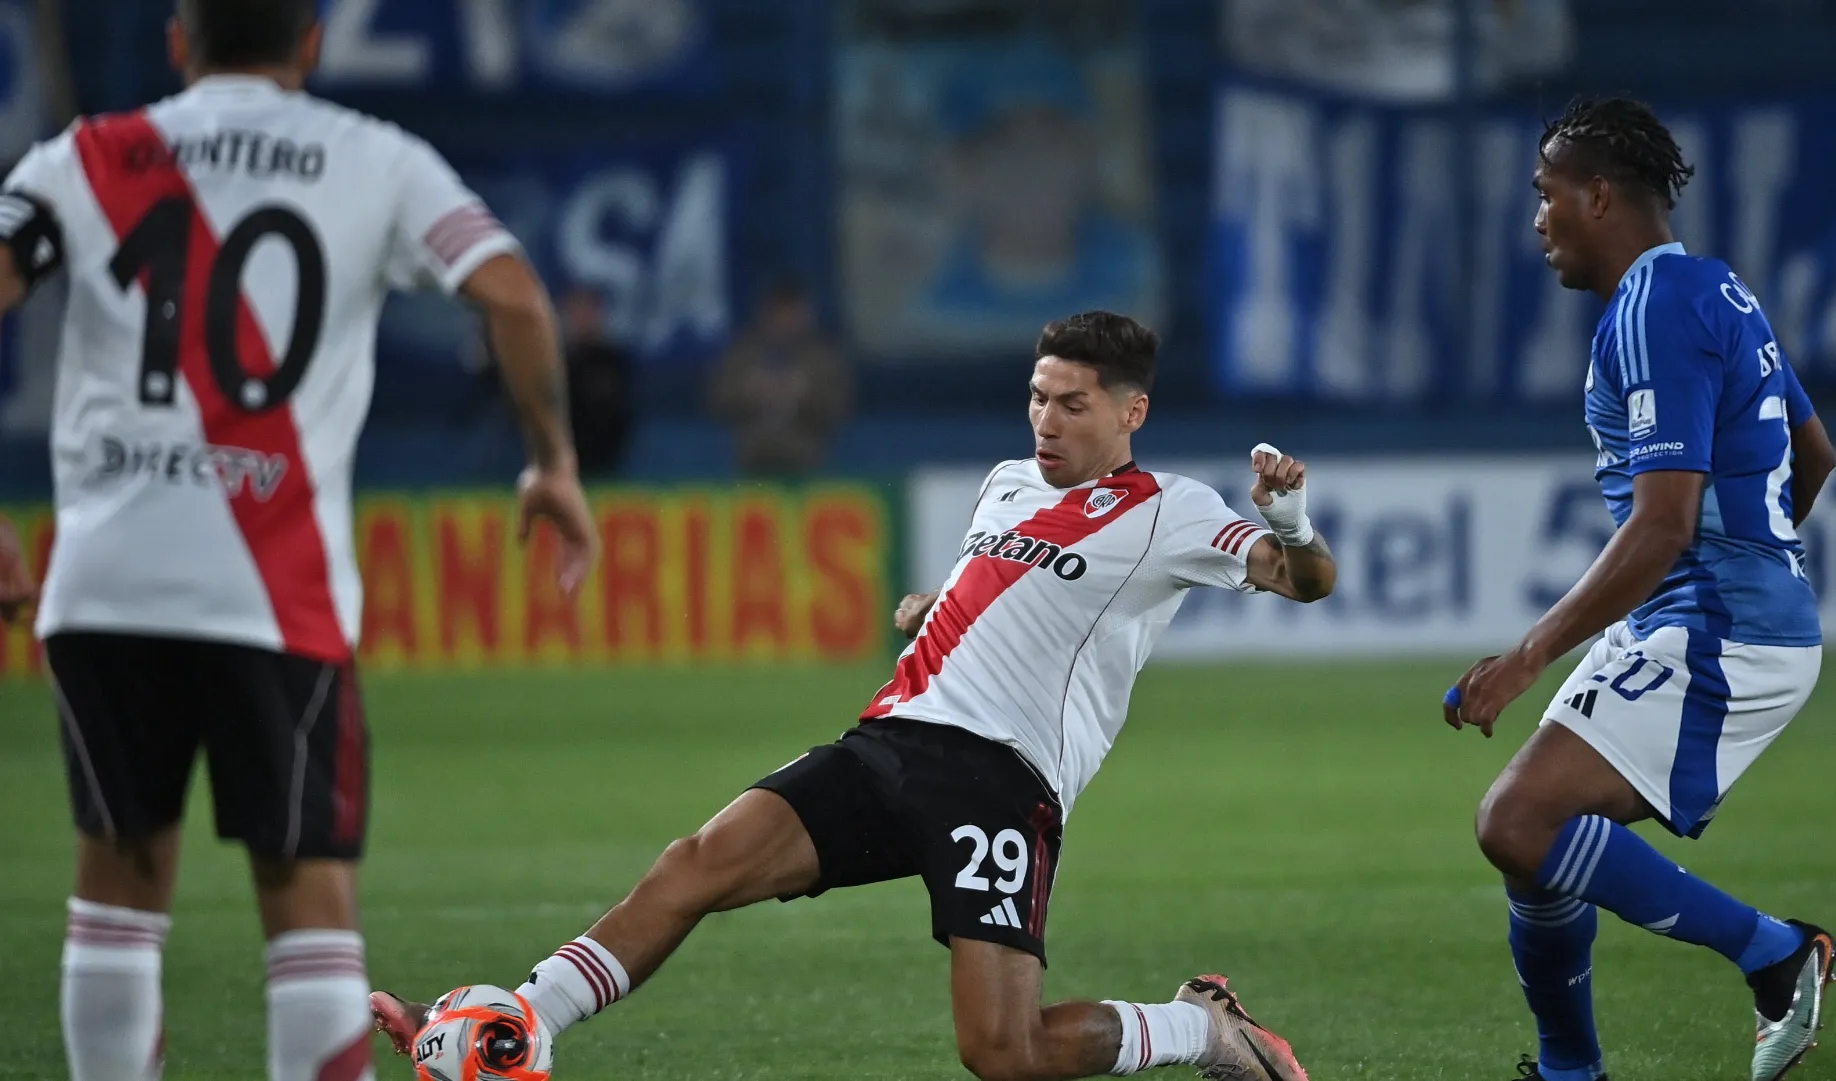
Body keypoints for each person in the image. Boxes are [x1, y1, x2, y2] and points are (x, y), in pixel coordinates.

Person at [374, 310, 1339, 1081]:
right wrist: (934, 605)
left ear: (1131, 412)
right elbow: (997, 590)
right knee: (693, 864)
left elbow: (1305, 580)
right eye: (1039, 397)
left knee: (1003, 1053)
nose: (1046, 420)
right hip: (890, 742)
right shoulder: (1006, 483)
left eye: (1074, 404)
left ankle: (1198, 1027)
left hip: (998, 785)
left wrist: (1289, 520)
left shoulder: (1171, 510)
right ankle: (514, 1023)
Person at [0, 2, 597, 1079]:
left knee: (118, 888)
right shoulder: (376, 159)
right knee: (305, 896)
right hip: (270, 590)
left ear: (179, 41)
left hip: (104, 581)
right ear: (311, 44)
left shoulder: (86, 157)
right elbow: (509, 290)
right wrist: (550, 458)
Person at [1445, 98, 1836, 1081]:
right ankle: (1568, 1069)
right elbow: (1813, 451)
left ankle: (1777, 952)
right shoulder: (1717, 289)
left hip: (1718, 626)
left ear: (1598, 194)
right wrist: (1760, 550)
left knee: (1515, 820)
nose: (1538, 219)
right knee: (1533, 838)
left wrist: (1528, 656)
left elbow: (1663, 524)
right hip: (1712, 610)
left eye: (1545, 196)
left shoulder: (1650, 309)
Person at [707, 279, 851, 477]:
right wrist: (750, 392)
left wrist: (802, 395)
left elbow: (838, 409)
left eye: (794, 312)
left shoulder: (823, 359)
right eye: (781, 312)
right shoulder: (743, 354)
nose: (787, 320)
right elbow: (717, 401)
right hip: (751, 463)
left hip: (807, 464)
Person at [558, 286, 637, 478]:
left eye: (589, 310)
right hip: (562, 456)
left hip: (608, 457)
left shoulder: (614, 360)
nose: (583, 318)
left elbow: (625, 410)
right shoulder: (556, 361)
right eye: (577, 311)